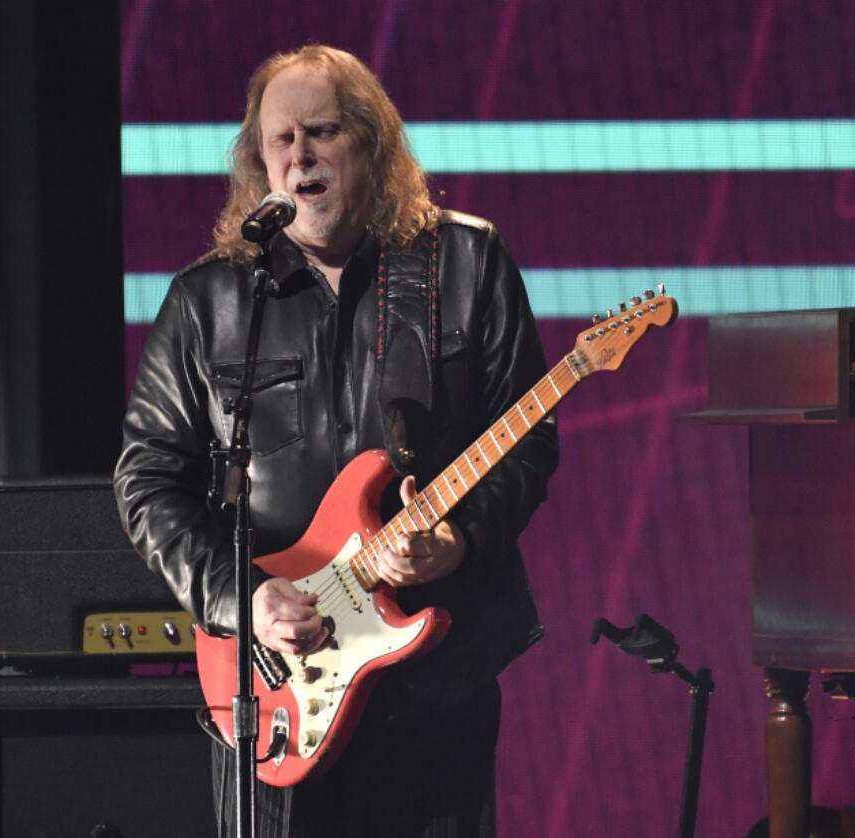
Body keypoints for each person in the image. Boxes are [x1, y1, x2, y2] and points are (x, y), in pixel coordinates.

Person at [114, 44, 559, 837]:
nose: (299, 156)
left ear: (371, 145)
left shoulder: (465, 262)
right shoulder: (209, 301)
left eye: (320, 132)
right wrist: (242, 599)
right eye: (278, 141)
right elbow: (148, 481)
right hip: (273, 686)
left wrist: (460, 539)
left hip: (436, 684)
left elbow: (527, 445)